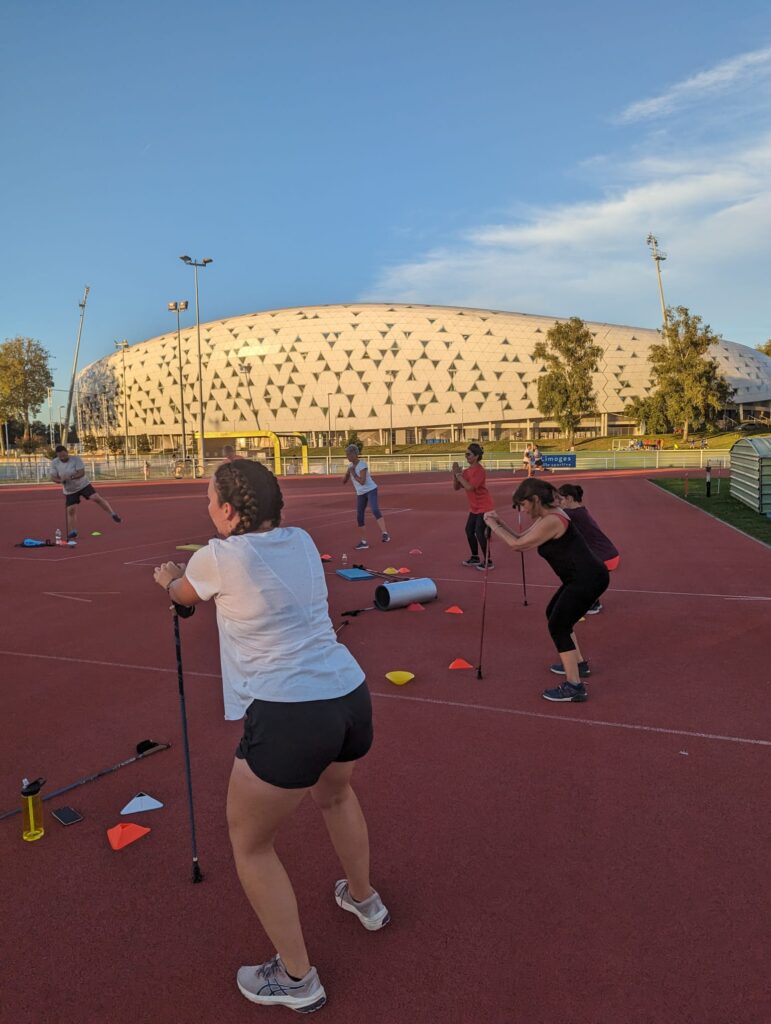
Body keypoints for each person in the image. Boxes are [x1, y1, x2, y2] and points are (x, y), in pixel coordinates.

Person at [152, 460, 388, 1013]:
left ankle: (298, 978)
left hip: (291, 713)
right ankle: (364, 900)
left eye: (211, 500)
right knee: (336, 796)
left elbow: (185, 595)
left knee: (251, 844)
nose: (207, 508)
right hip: (349, 694)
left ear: (230, 511)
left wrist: (166, 579)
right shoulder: (302, 540)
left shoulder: (217, 556)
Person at [483, 478, 609, 703]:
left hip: (588, 578)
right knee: (554, 614)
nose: (522, 509)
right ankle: (578, 664)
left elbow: (517, 545)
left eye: (523, 504)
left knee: (558, 624)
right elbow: (522, 539)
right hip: (580, 577)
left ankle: (574, 686)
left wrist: (492, 526)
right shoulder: (548, 516)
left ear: (535, 500)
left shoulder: (553, 519)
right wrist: (499, 522)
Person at [556, 484, 620, 615]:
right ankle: (593, 602)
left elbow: (552, 513)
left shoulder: (571, 513)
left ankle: (590, 604)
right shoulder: (581, 511)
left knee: (576, 576)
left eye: (561, 500)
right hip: (609, 555)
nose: (559, 503)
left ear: (569, 498)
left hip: (605, 558)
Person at [49, 444, 122, 538]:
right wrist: (60, 481)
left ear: (67, 452)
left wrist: (71, 477)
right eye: (60, 456)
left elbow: (81, 473)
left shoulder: (75, 459)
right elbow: (53, 477)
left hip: (83, 485)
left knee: (95, 498)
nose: (63, 458)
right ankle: (73, 532)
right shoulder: (54, 463)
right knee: (71, 510)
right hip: (70, 490)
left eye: (64, 455)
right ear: (57, 456)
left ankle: (113, 514)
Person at [451, 442, 494, 571]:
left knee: (479, 532)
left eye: (468, 454)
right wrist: (455, 475)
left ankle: (488, 561)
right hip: (474, 508)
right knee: (469, 531)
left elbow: (470, 487)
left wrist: (459, 476)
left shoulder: (480, 471)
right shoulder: (466, 472)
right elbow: (456, 487)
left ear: (476, 456)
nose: (466, 456)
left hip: (485, 506)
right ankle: (475, 557)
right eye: (465, 454)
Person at [343, 444, 390, 549]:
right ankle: (364, 542)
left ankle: (385, 533)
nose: (347, 456)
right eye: (346, 454)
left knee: (375, 509)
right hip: (360, 494)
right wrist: (346, 475)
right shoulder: (350, 467)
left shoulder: (362, 465)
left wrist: (353, 473)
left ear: (355, 454)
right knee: (359, 517)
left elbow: (362, 481)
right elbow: (343, 482)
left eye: (348, 454)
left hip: (371, 490)